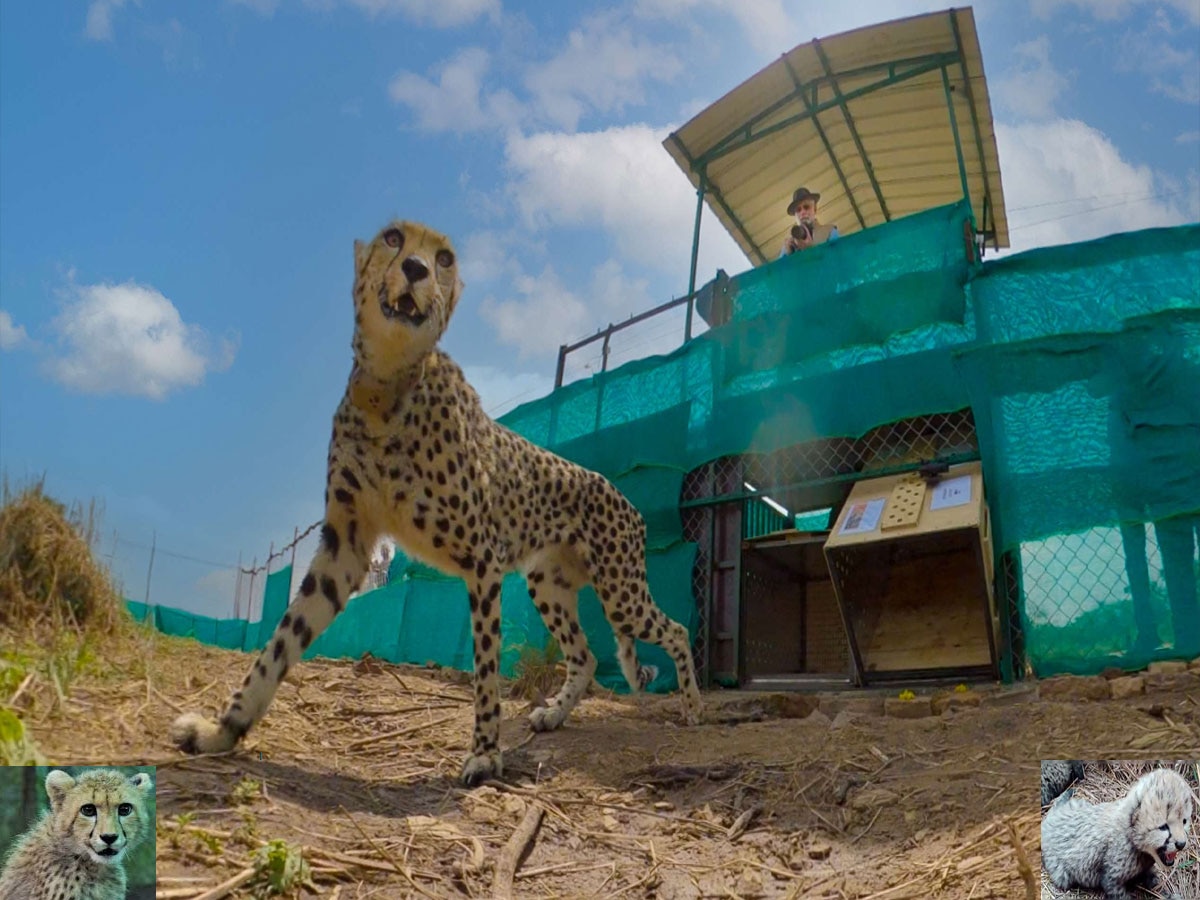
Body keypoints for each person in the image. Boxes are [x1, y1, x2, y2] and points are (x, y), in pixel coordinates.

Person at [780, 187, 838, 257]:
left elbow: (839, 259)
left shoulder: (829, 231)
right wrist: (786, 257)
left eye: (806, 207)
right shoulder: (788, 245)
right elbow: (779, 267)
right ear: (795, 215)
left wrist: (812, 250)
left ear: (815, 209)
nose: (803, 212)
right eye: (798, 210)